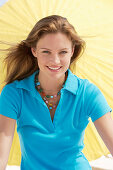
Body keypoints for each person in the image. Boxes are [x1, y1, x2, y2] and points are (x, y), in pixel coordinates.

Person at [0, 15, 113, 170]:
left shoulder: (88, 93)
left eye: (63, 52)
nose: (55, 61)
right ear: (34, 50)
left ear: (72, 51)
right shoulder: (13, 93)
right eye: (46, 51)